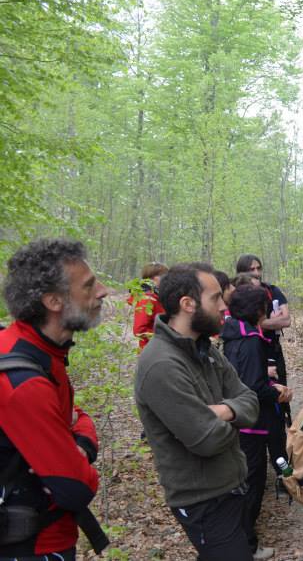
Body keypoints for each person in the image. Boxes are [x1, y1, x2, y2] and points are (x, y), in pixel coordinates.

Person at [134, 262, 259, 561]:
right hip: (204, 500)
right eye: (215, 298)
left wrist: (225, 411)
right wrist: (233, 414)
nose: (224, 306)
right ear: (188, 304)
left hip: (230, 485)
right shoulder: (161, 365)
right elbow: (208, 439)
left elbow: (250, 399)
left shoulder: (204, 348)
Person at [0, 238, 108, 560]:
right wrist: (81, 445)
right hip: (33, 547)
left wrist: (77, 441)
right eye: (88, 286)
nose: (102, 291)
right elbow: (76, 488)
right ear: (53, 301)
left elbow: (76, 416)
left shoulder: (36, 350)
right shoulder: (23, 381)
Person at [222, 285, 293, 560]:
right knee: (252, 482)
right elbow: (252, 387)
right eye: (265, 306)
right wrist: (278, 391)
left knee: (252, 476)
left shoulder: (234, 334)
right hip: (254, 421)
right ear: (258, 310)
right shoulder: (251, 340)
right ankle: (246, 544)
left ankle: (243, 538)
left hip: (243, 419)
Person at [236, 254, 292, 474]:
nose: (257, 273)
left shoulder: (272, 290)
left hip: (273, 352)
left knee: (279, 406)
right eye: (251, 269)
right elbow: (239, 322)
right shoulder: (236, 292)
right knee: (254, 402)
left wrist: (259, 322)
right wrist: (266, 321)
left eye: (258, 268)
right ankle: (253, 466)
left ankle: (282, 469)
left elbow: (286, 320)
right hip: (251, 354)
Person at [130, 261, 169, 351]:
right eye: (164, 276)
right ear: (153, 279)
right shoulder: (147, 299)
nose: (166, 280)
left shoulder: (157, 296)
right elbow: (139, 330)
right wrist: (165, 339)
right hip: (152, 350)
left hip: (162, 348)